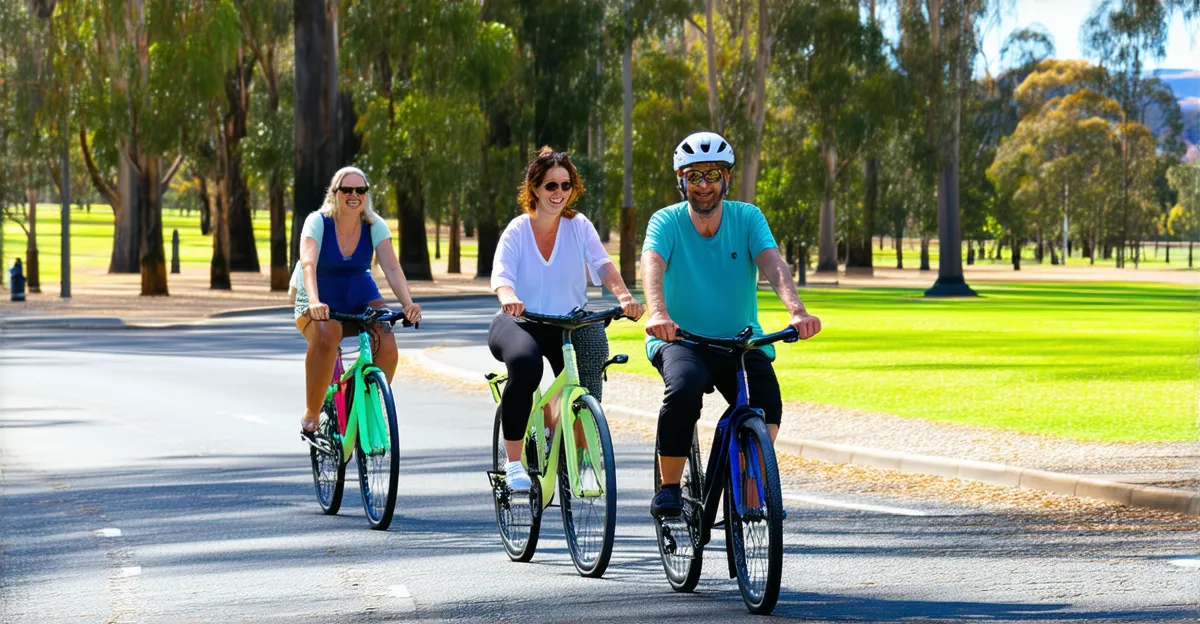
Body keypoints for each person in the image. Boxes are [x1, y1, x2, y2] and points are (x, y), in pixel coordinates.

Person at [641, 132, 821, 518]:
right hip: (681, 340)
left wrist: (797, 310)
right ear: (681, 180)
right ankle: (670, 488)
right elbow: (652, 264)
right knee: (684, 388)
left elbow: (772, 263)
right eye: (694, 176)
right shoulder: (666, 221)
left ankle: (748, 485)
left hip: (739, 341)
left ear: (726, 178)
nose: (703, 185)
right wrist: (658, 313)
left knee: (766, 406)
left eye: (712, 175)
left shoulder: (747, 217)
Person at [490, 147, 644, 492]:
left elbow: (603, 265)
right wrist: (509, 297)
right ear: (534, 189)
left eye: (565, 185)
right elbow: (502, 277)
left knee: (589, 365)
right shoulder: (517, 230)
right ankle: (513, 462)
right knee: (526, 367)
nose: (558, 193)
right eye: (550, 186)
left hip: (567, 323)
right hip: (519, 321)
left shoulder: (579, 226)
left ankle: (580, 455)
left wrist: (623, 297)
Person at [292, 166, 422, 435]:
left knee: (385, 341)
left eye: (360, 190)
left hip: (358, 289)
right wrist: (314, 301)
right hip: (320, 290)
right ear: (335, 193)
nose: (354, 195)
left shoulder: (374, 224)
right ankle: (312, 412)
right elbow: (308, 264)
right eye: (347, 190)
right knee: (328, 336)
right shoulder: (318, 221)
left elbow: (392, 268)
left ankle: (364, 406)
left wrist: (408, 303)